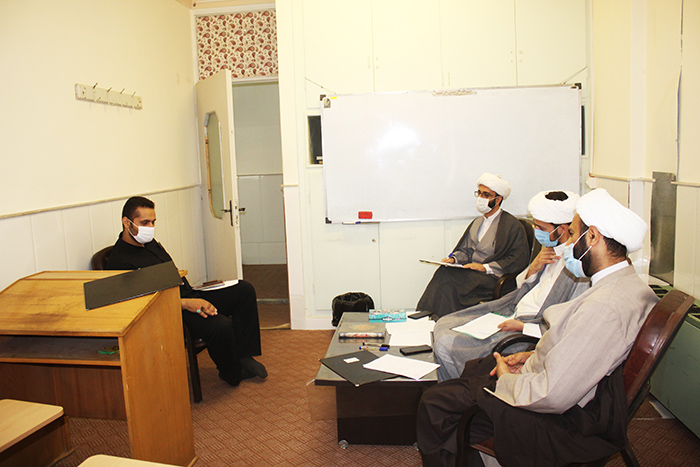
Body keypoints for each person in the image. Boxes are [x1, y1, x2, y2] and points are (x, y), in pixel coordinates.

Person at [417, 188, 658, 467]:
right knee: (473, 373)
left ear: (592, 237)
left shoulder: (603, 307)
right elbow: (584, 351)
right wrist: (532, 357)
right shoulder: (627, 285)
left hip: (560, 419)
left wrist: (508, 380)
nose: (570, 243)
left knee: (435, 403)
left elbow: (552, 394)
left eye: (574, 234)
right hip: (551, 381)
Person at [106, 196, 267, 387]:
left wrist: (194, 297)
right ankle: (233, 373)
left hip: (188, 295)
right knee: (220, 325)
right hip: (169, 310)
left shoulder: (149, 244)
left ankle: (244, 355)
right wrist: (185, 304)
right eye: (145, 222)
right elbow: (137, 304)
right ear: (127, 223)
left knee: (243, 289)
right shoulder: (119, 261)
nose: (150, 227)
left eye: (153, 222)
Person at [433, 190, 590, 381]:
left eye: (540, 227)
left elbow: (566, 325)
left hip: (527, 328)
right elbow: (523, 287)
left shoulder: (577, 266)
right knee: (443, 324)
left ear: (563, 229)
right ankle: (454, 385)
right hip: (512, 309)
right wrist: (533, 268)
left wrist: (523, 327)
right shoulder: (551, 249)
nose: (536, 231)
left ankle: (460, 386)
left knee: (446, 342)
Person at [416, 173, 530, 318]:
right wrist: (454, 259)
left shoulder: (511, 225)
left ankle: (436, 317)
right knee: (445, 271)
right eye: (479, 193)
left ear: (498, 199)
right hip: (471, 273)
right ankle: (432, 316)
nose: (481, 198)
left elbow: (517, 259)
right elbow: (465, 250)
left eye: (486, 194)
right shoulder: (477, 222)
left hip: (491, 278)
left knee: (449, 282)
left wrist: (484, 267)